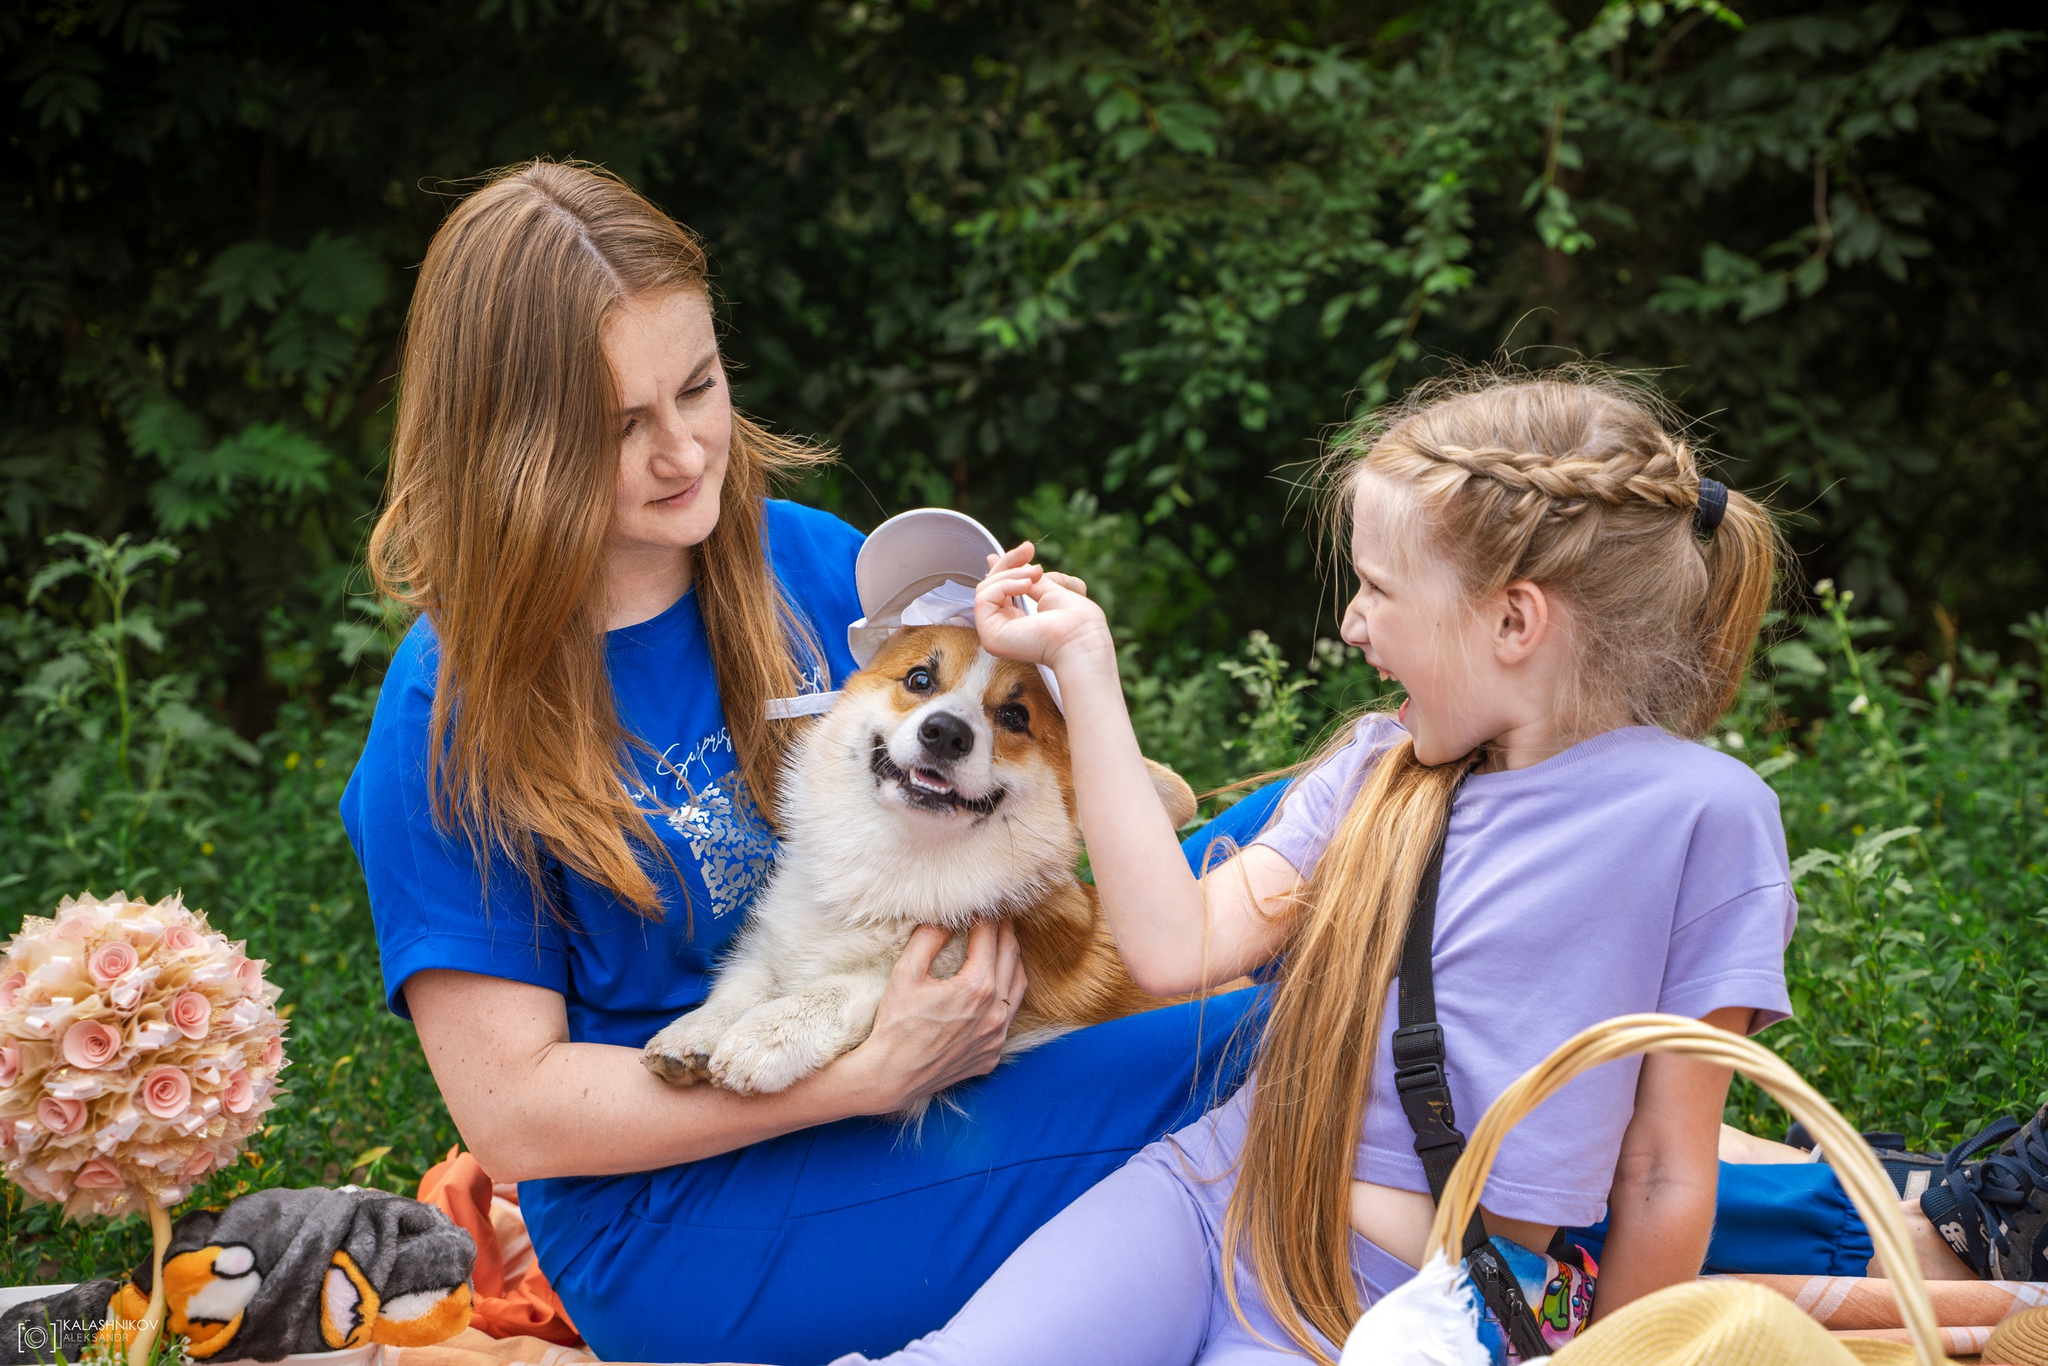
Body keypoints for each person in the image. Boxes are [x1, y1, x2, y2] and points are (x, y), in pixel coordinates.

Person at [337, 160, 1266, 1365]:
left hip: (936, 1058)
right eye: (620, 426)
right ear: (507, 443)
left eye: (699, 387)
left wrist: (1079, 696)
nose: (683, 452)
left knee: (1313, 842)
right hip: (682, 1212)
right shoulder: (452, 706)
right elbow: (511, 1113)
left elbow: (1054, 800)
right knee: (1262, 1042)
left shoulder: (804, 563)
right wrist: (863, 1073)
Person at [834, 371, 1803, 1366]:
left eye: (1378, 590)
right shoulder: (1373, 772)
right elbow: (1174, 947)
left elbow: (1659, 1171)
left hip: (1396, 1313)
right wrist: (1081, 661)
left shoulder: (1705, 822)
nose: (1351, 624)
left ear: (1512, 621)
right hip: (1205, 1203)